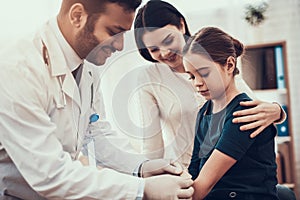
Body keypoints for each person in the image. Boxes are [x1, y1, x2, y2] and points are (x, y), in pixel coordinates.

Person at [0, 0, 194, 199]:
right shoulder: (17, 71)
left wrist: (141, 166)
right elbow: (49, 175)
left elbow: (94, 133)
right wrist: (140, 189)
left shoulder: (89, 67)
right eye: (113, 32)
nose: (119, 46)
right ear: (77, 16)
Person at [132, 0, 285, 168]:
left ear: (181, 25)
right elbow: (152, 147)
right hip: (187, 173)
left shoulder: (210, 56)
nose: (165, 52)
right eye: (153, 49)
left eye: (168, 40)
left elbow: (248, 105)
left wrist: (277, 111)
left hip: (233, 170)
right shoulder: (148, 78)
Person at [183, 26, 279, 200]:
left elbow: (204, 185)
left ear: (229, 65)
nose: (197, 83)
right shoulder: (203, 112)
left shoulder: (244, 114)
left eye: (204, 73)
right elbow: (194, 170)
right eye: (191, 76)